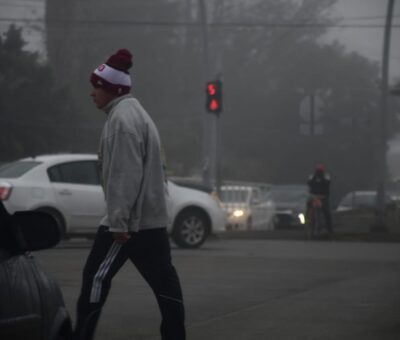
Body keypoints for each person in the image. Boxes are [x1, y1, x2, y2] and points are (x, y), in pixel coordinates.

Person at [73, 49, 186, 340]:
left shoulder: (120, 123)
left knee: (95, 278)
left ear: (110, 88)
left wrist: (119, 223)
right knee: (165, 284)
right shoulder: (138, 114)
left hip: (129, 224)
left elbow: (124, 175)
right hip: (152, 218)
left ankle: (81, 335)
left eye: (96, 86)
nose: (92, 93)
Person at [306, 164, 333, 236]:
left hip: (323, 197)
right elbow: (309, 183)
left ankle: (329, 229)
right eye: (318, 171)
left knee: (327, 212)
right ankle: (307, 224)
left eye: (320, 171)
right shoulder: (312, 177)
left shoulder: (326, 176)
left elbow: (327, 183)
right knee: (308, 210)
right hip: (313, 197)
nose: (319, 173)